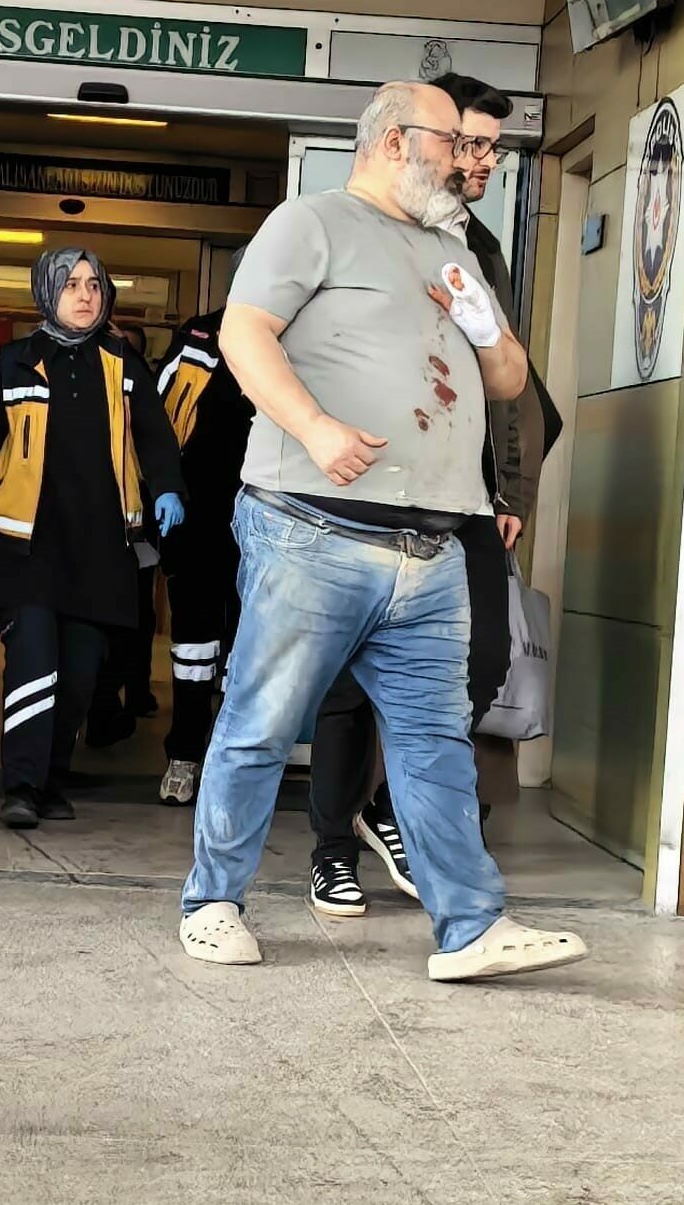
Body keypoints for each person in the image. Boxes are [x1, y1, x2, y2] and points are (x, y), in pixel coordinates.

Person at [179, 81, 586, 981]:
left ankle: (470, 926)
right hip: (310, 529)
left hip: (432, 543)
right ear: (396, 141)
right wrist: (315, 428)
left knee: (436, 741)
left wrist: (483, 325)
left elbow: (508, 381)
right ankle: (211, 903)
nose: (467, 160)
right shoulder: (311, 222)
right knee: (259, 725)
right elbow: (245, 335)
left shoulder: (452, 246)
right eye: (452, 142)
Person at [307, 73, 564, 915]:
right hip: (368, 487)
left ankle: (387, 811)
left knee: (481, 663)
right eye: (469, 143)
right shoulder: (365, 227)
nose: (482, 160)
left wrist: (510, 490)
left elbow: (511, 380)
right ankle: (330, 851)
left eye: (491, 146)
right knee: (346, 682)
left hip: (463, 497)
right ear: (425, 144)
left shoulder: (479, 245)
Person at [0, 249, 185, 828]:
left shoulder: (122, 362)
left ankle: (50, 779)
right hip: (24, 546)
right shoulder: (18, 360)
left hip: (99, 550)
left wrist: (168, 487)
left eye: (94, 285)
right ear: (48, 293)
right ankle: (21, 787)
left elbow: (155, 435)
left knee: (77, 677)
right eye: (72, 284)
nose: (85, 295)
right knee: (32, 663)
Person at [155, 299, 253, 804]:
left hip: (266, 524)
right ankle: (185, 756)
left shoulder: (300, 334)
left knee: (249, 653)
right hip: (197, 522)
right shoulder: (201, 335)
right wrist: (162, 492)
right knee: (193, 649)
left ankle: (231, 770)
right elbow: (156, 420)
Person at [85, 321, 162, 747]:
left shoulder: (144, 397)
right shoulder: (86, 389)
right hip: (91, 528)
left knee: (134, 620)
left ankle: (128, 695)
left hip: (135, 526)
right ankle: (101, 707)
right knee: (96, 623)